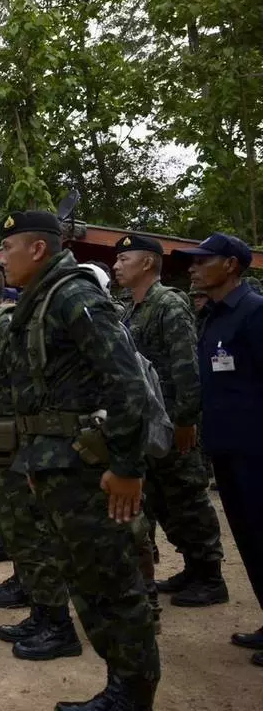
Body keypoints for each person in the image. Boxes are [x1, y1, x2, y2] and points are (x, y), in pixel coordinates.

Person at [0, 210, 159, 711]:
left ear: (37, 249)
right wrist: (34, 462)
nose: (2, 258)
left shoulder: (73, 295)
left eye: (8, 248)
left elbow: (127, 384)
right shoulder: (40, 299)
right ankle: (120, 687)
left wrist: (127, 468)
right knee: (87, 582)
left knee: (112, 583)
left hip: (89, 470)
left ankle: (132, 693)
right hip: (58, 466)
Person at [0, 255, 80, 660]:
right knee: (17, 533)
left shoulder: (5, 325)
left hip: (10, 450)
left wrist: (22, 454)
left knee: (31, 534)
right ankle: (40, 609)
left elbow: (21, 396)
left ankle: (58, 625)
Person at [113, 234, 228, 611]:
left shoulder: (169, 303)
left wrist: (185, 420)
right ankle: (192, 568)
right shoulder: (132, 310)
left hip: (173, 421)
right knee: (162, 502)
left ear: (148, 263)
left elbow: (186, 367)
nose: (116, 265)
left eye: (124, 259)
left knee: (187, 498)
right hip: (149, 423)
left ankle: (209, 575)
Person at [180, 232, 263, 669]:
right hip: (227, 450)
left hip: (256, 452)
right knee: (249, 540)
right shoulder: (212, 316)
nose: (192, 268)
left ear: (230, 264)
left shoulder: (255, 312)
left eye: (202, 261)